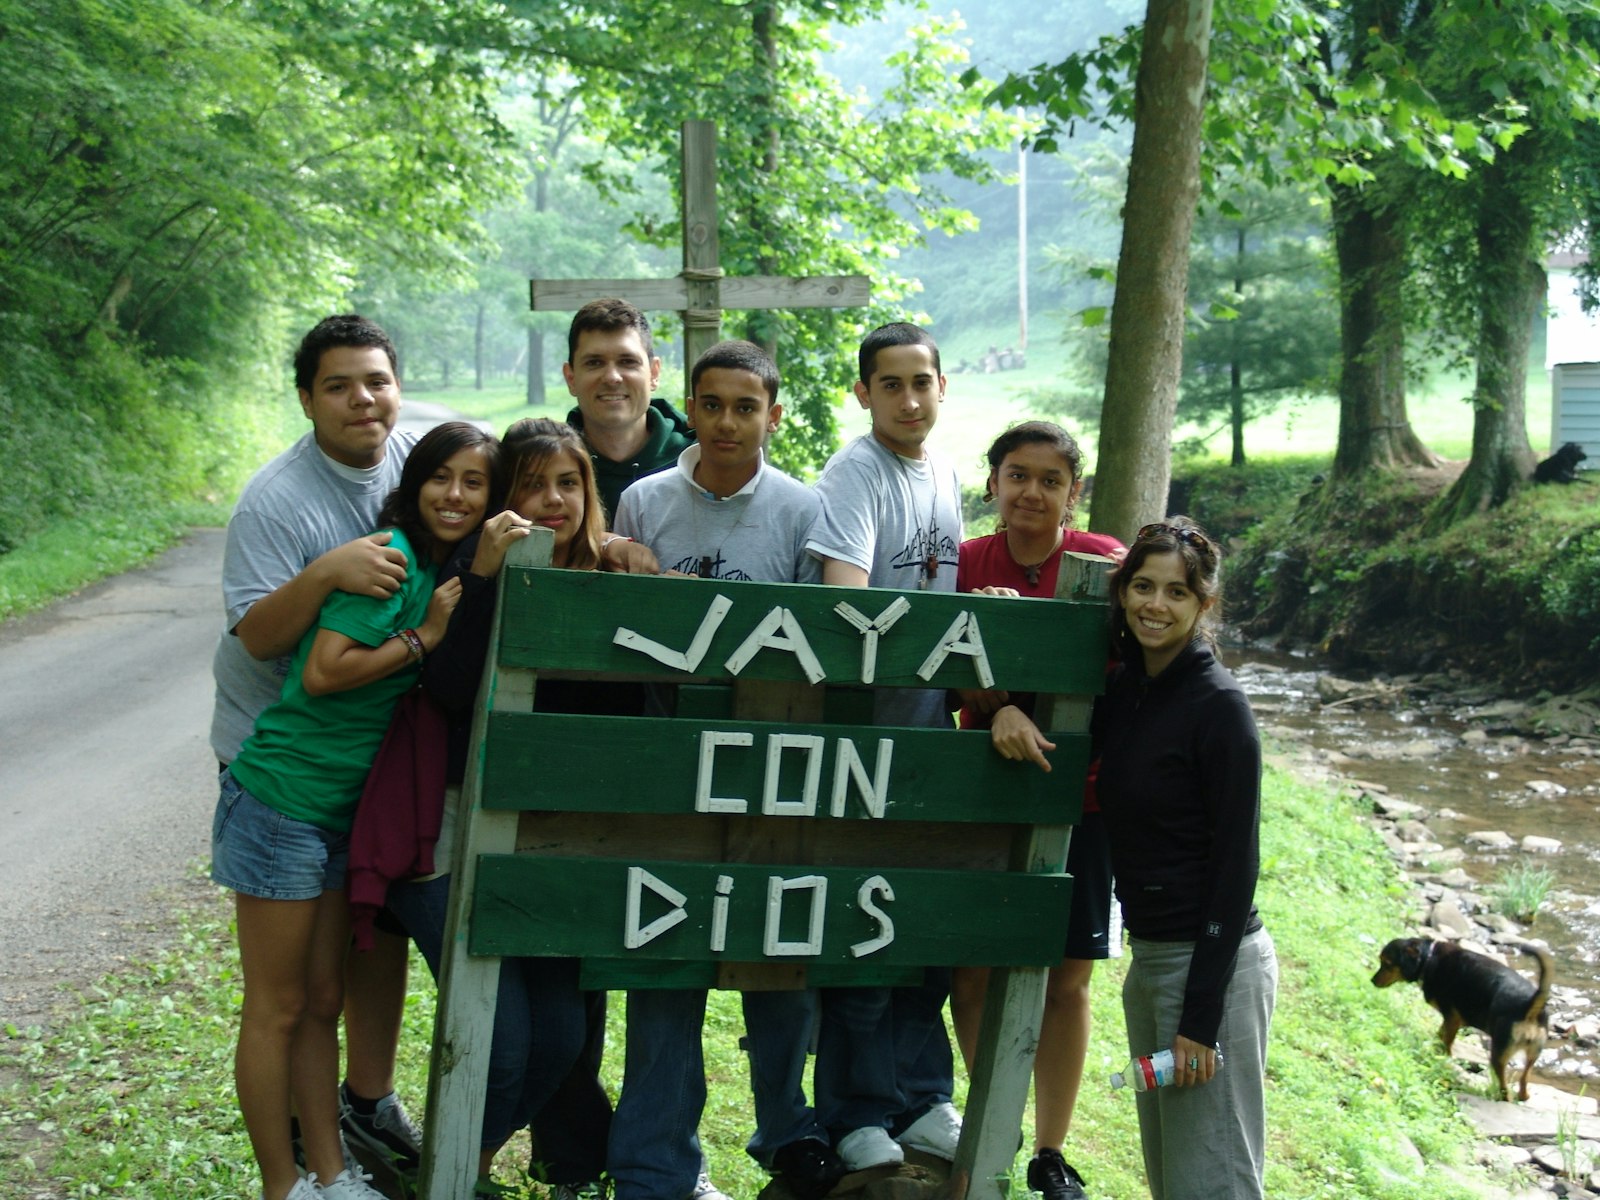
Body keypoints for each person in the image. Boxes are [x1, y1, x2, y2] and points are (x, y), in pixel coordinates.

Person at [212, 422, 499, 1200]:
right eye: (442, 477)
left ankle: (331, 1174)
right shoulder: (394, 560)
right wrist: (424, 637)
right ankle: (283, 1184)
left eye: (476, 483)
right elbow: (324, 672)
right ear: (414, 487)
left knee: (324, 1001)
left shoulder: (443, 567)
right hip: (281, 800)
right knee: (277, 1007)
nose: (456, 495)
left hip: (340, 811)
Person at [610, 341, 842, 1200]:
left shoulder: (803, 509)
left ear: (773, 416)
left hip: (770, 766)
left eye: (747, 407)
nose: (729, 422)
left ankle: (786, 1130)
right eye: (712, 404)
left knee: (778, 950)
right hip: (670, 759)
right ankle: (656, 1161)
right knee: (664, 952)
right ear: (690, 411)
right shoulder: (643, 501)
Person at [991, 518, 1277, 1200]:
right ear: (1122, 595)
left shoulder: (1221, 710)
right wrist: (1005, 707)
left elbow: (1236, 872)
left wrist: (1200, 1019)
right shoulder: (1131, 692)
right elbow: (1063, 737)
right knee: (1176, 1175)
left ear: (1203, 606)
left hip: (1213, 969)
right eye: (1142, 586)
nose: (1155, 604)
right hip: (1150, 961)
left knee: (1215, 1180)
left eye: (1176, 593)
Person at [210, 313, 424, 1175]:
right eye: (338, 385)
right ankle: (285, 1178)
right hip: (278, 769)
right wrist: (327, 572)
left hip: (362, 775)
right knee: (284, 999)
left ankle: (342, 1150)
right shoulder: (276, 500)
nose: (361, 400)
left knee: (339, 983)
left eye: (375, 381)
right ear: (307, 399)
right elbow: (258, 637)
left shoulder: (419, 465)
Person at [380, 418, 614, 1199]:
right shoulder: (464, 569)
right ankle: (454, 1176)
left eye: (568, 484)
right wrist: (481, 578)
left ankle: (459, 1166)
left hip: (548, 850)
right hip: (445, 835)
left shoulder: (606, 579)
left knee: (559, 1036)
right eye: (530, 485)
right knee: (502, 1037)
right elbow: (447, 691)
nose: (552, 501)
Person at [948, 422, 1123, 1200]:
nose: (1032, 492)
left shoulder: (1107, 564)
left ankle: (1051, 1151)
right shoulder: (964, 565)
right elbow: (942, 679)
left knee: (1067, 980)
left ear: (1072, 493)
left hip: (1083, 800)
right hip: (983, 796)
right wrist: (991, 699)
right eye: (1017, 475)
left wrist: (1016, 682)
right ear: (992, 483)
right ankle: (996, 1120)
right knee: (975, 973)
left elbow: (1123, 672)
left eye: (1051, 479)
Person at [804, 321, 963, 1171]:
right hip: (861, 744)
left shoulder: (942, 470)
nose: (908, 399)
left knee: (920, 931)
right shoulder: (856, 474)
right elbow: (846, 609)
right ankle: (856, 1111)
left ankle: (922, 1097)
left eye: (922, 382)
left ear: (942, 388)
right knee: (861, 933)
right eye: (890, 384)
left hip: (928, 738)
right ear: (863, 392)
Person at [561, 297, 695, 522]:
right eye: (594, 362)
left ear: (653, 374)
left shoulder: (699, 459)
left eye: (627, 361)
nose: (612, 377)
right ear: (571, 378)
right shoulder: (546, 466)